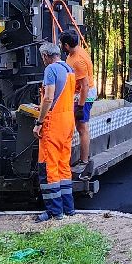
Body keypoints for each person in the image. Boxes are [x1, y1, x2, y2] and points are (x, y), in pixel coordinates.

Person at [33, 41, 76, 221]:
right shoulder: (69, 69)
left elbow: (49, 97)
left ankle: (54, 211)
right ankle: (68, 208)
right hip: (68, 121)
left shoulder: (50, 70)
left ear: (45, 56)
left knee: (49, 167)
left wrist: (39, 121)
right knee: (63, 166)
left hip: (54, 124)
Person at [60, 29, 95, 174]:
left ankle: (84, 161)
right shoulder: (75, 52)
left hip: (84, 95)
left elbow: (85, 86)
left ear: (67, 45)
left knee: (82, 127)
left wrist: (80, 106)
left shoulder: (78, 60)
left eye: (62, 44)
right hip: (77, 93)